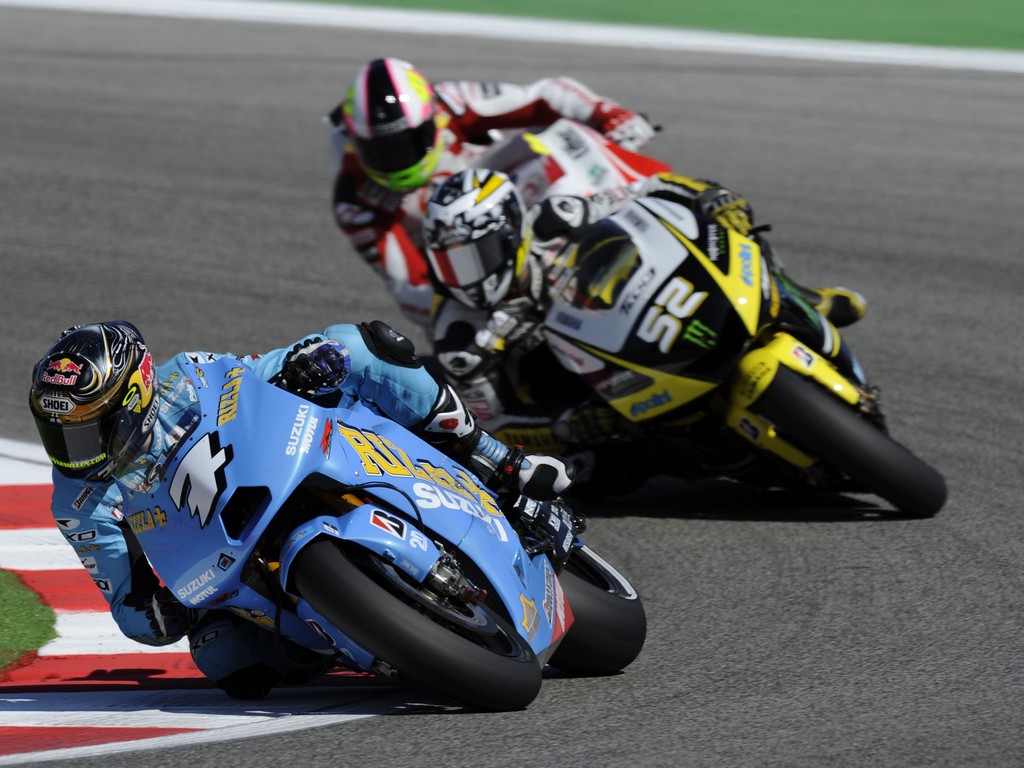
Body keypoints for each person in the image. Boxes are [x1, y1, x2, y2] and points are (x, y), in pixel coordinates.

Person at [29, 320, 578, 698]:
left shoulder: (187, 376)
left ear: (133, 399)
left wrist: (307, 362)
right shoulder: (77, 503)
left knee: (363, 345)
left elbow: (252, 376)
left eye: (86, 431)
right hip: (221, 562)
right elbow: (127, 605)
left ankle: (495, 462)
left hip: (273, 469)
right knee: (226, 660)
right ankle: (359, 637)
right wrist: (159, 614)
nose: (72, 453)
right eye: (59, 434)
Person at [422, 168, 869, 490]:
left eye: (473, 259)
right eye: (448, 265)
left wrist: (712, 199)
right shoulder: (460, 339)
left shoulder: (555, 217)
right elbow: (493, 425)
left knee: (734, 237)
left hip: (632, 316)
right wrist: (565, 426)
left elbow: (649, 189)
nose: (463, 279)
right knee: (594, 473)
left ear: (510, 234)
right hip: (585, 397)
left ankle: (797, 295)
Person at [323, 56, 658, 331]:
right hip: (465, 273)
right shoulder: (354, 199)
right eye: (380, 149)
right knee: (464, 347)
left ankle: (650, 197)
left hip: (512, 196)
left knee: (559, 138)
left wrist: (611, 116)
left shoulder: (451, 102)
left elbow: (546, 94)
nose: (395, 158)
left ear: (430, 119)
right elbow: (411, 291)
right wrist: (486, 297)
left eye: (404, 143)